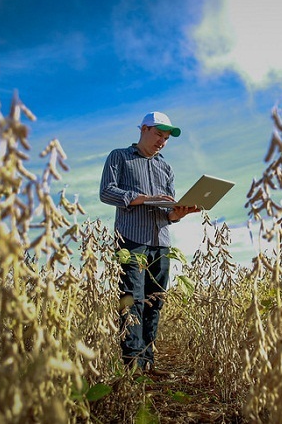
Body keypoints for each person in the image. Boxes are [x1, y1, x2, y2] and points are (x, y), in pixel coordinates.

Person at [99, 111, 199, 373]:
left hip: (161, 241)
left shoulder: (166, 167)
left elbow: (168, 211)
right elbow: (106, 191)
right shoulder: (119, 157)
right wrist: (142, 197)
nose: (162, 142)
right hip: (131, 240)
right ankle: (132, 364)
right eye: (158, 135)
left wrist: (177, 214)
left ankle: (148, 362)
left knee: (155, 301)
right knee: (133, 299)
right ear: (143, 129)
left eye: (166, 138)